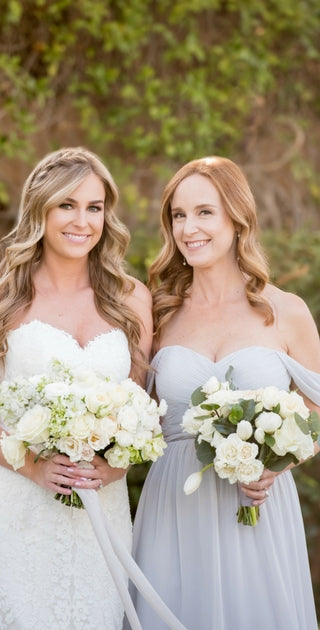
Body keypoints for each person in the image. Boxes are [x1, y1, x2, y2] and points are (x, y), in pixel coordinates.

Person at [0, 147, 153, 629]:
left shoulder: (131, 298)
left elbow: (139, 408)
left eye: (94, 207)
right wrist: (32, 467)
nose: (81, 220)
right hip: (18, 499)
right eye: (67, 205)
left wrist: (115, 465)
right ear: (40, 207)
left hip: (99, 508)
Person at [130, 156, 319, 629]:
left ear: (237, 218)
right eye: (178, 215)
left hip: (256, 507)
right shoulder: (158, 313)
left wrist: (279, 464)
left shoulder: (285, 310)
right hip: (174, 506)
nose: (188, 228)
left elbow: (318, 412)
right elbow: (132, 413)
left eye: (204, 212)